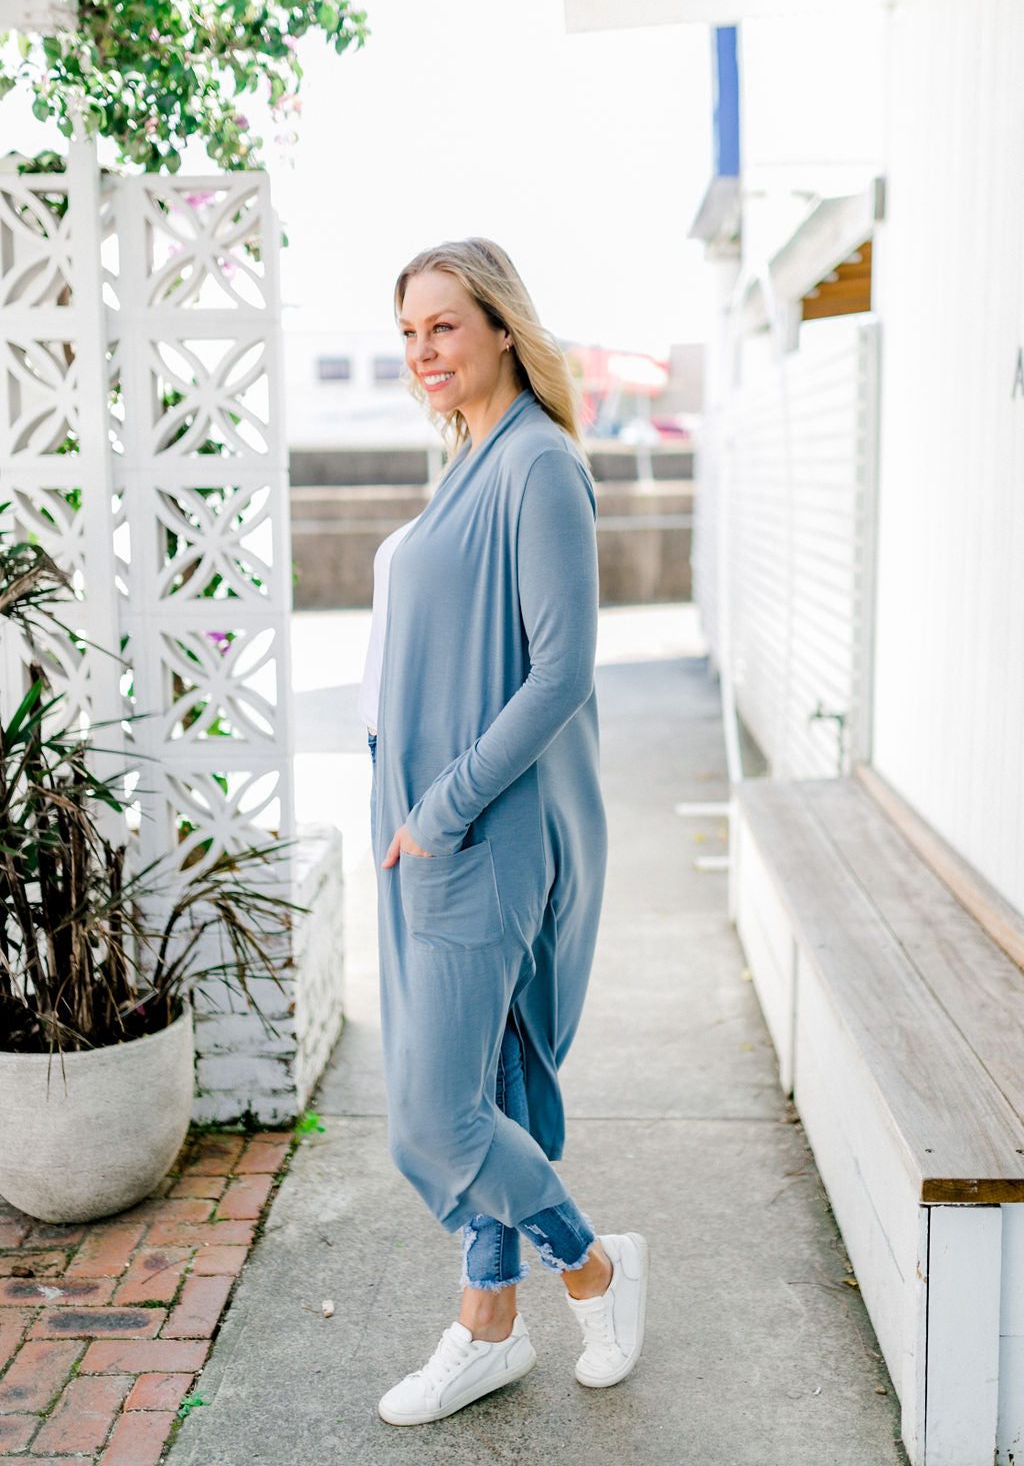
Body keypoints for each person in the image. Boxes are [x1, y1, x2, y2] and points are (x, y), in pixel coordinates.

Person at [362, 238, 648, 1428]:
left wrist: (438, 807)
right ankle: (487, 1327)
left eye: (443, 326)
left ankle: (596, 1270)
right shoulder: (470, 456)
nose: (424, 352)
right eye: (409, 334)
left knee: (439, 1119)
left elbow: (559, 672)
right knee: (488, 1089)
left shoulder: (535, 463)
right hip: (431, 831)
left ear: (500, 327)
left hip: (478, 832)